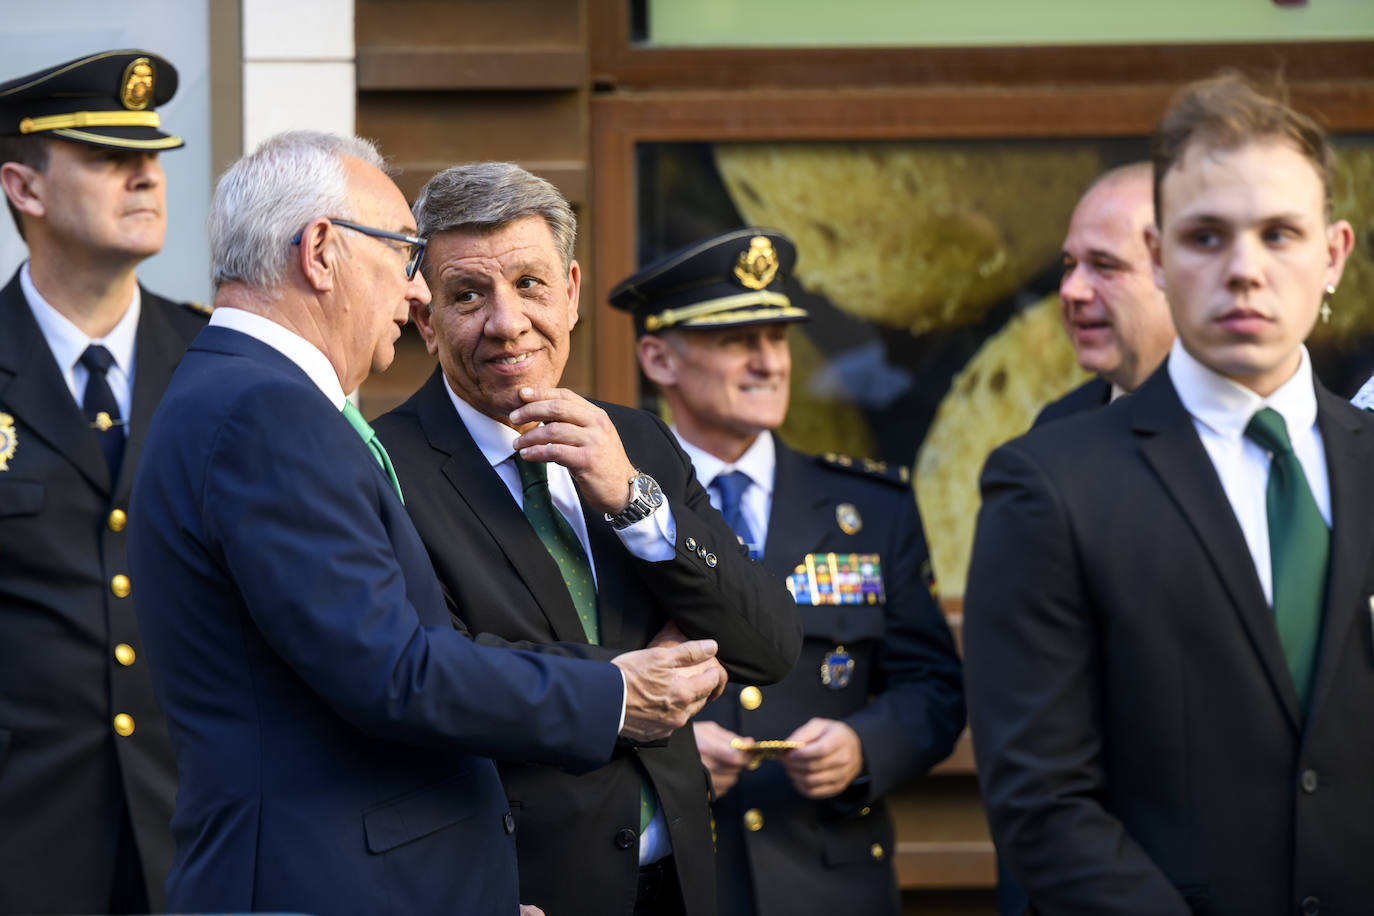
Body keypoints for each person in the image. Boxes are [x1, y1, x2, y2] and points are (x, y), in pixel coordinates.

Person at [127, 130, 728, 916]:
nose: (417, 295)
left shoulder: (241, 394)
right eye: (404, 254)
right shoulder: (265, 410)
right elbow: (391, 672)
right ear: (321, 252)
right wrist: (609, 694)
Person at [964, 73, 1371, 914]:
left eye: (1279, 234)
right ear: (1161, 256)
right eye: (1206, 237)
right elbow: (1043, 804)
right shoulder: (1050, 484)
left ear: (1333, 255)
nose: (1245, 271)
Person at [373, 165, 802, 916]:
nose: (507, 323)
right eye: (468, 295)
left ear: (571, 292)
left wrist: (633, 500)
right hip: (516, 890)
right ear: (424, 320)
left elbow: (767, 642)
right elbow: (436, 676)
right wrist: (629, 683)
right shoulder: (385, 469)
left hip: (681, 888)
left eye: (530, 285)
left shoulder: (635, 442)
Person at [616, 228, 965, 916]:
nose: (768, 362)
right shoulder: (614, 503)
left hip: (829, 883)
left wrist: (865, 746)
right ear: (658, 357)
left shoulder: (869, 507)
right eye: (735, 340)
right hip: (672, 882)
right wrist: (671, 763)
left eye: (777, 338)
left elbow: (933, 689)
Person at [0, 49, 204, 914]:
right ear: (26, 187)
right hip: (23, 842)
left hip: (196, 832)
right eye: (108, 157)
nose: (146, 177)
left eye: (151, 157)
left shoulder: (212, 364)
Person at [1036, 162, 1176, 427]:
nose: (1069, 291)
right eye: (1069, 266)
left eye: (1104, 266)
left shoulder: (1249, 418)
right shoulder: (1059, 427)